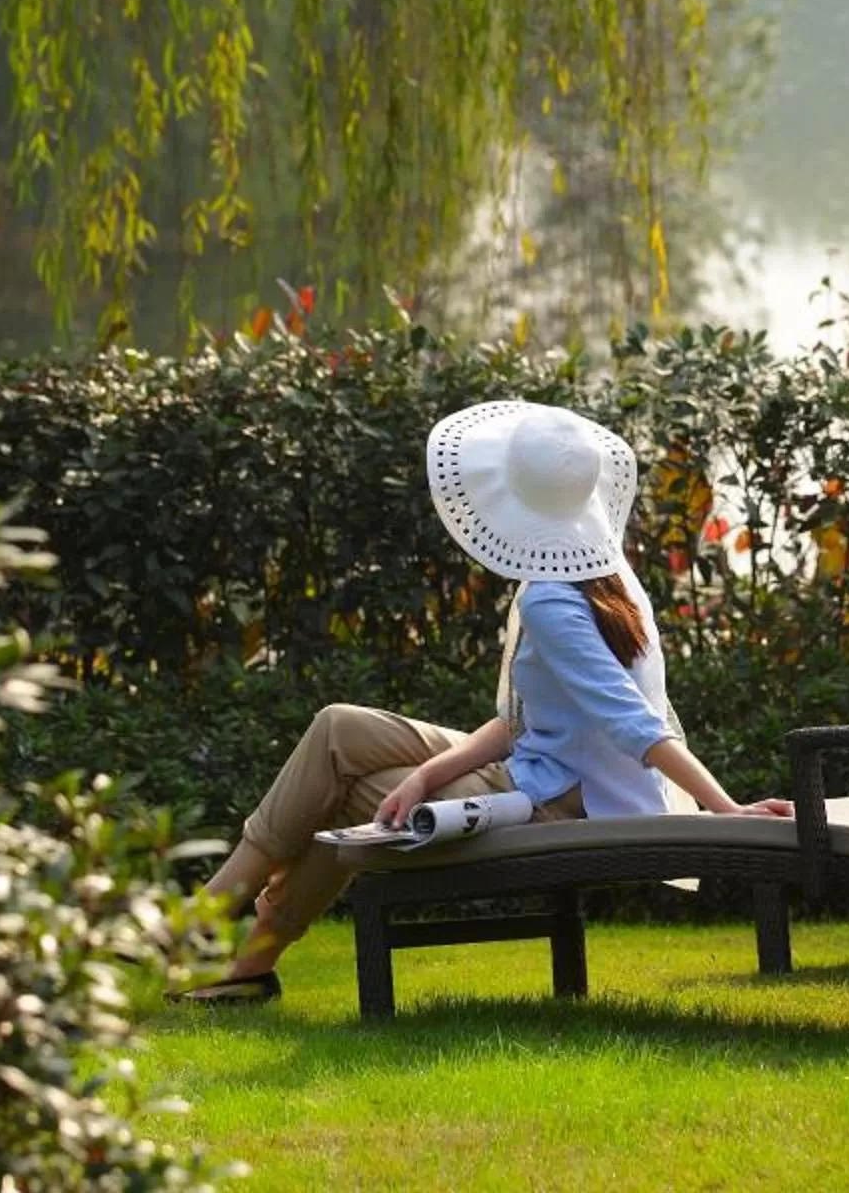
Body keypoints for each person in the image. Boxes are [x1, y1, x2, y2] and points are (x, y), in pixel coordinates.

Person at [172, 399, 790, 1004]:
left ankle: (243, 952)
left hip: (557, 798)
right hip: (537, 761)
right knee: (339, 730)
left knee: (357, 798)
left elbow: (637, 726)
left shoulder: (553, 599)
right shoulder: (604, 571)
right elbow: (517, 721)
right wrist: (426, 776)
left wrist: (724, 809)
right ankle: (216, 916)